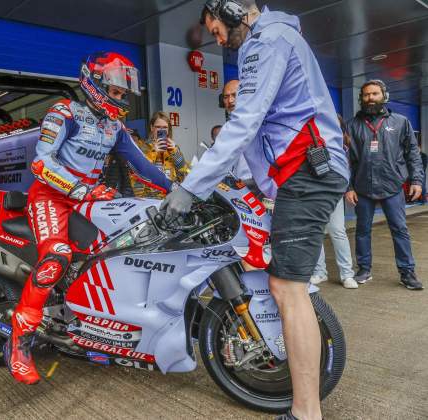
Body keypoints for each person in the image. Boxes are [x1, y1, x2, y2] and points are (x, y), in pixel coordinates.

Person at [160, 2, 350, 419]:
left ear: (231, 9)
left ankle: (305, 412)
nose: (218, 39)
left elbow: (245, 122)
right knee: (284, 281)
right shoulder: (256, 47)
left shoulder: (269, 41)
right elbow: (253, 138)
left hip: (308, 169)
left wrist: (189, 188)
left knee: (287, 287)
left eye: (216, 28)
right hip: (297, 174)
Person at [6, 52, 173, 385]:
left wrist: (181, 189)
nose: (121, 99)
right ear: (94, 84)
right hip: (52, 197)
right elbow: (41, 164)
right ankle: (19, 342)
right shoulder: (63, 112)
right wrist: (82, 190)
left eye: (124, 94)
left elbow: (144, 167)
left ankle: (98, 327)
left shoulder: (115, 127)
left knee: (119, 252)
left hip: (90, 200)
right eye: (116, 92)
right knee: (57, 257)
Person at [345, 80, 424, 290]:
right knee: (362, 230)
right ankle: (364, 269)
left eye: (375, 94)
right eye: (366, 95)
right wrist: (348, 187)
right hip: (362, 188)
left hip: (393, 186)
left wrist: (416, 180)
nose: (370, 98)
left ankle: (407, 272)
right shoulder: (352, 126)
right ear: (361, 98)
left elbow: (413, 154)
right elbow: (346, 160)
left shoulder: (400, 122)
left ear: (384, 96)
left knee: (400, 229)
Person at [311, 115, 357, 289]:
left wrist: (347, 188)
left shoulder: (344, 145)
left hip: (334, 193)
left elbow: (346, 170)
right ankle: (320, 272)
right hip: (313, 193)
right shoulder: (313, 140)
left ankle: (347, 274)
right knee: (316, 234)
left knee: (337, 231)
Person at [126, 111, 190, 198]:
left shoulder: (174, 149)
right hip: (147, 199)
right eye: (158, 127)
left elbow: (183, 175)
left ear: (168, 129)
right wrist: (153, 152)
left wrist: (175, 152)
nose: (161, 130)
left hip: (170, 197)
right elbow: (136, 173)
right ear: (152, 128)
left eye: (165, 127)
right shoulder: (142, 148)